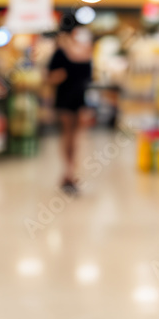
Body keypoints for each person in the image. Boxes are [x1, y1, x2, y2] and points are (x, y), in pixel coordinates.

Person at [46, 12, 93, 194]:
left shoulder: (75, 50)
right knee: (69, 135)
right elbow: (50, 77)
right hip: (67, 96)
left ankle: (70, 171)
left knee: (74, 136)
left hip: (77, 97)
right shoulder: (63, 52)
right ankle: (69, 171)